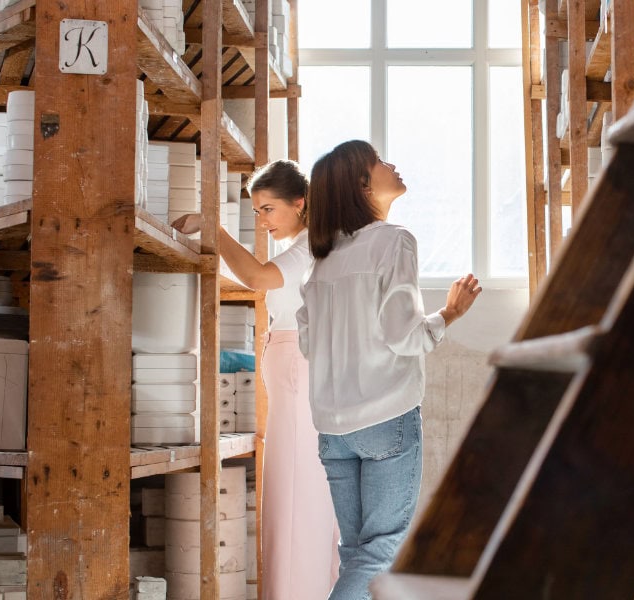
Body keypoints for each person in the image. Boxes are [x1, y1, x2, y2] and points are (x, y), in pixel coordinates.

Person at [298, 140, 481, 599]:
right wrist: (451, 314)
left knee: (359, 555)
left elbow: (308, 343)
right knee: (379, 556)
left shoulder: (320, 264)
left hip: (333, 430)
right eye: (379, 162)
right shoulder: (394, 240)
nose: (392, 165)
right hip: (384, 420)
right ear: (361, 183)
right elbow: (404, 335)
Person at [172, 160, 340, 600]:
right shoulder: (302, 248)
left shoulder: (308, 247)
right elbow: (254, 278)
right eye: (256, 212)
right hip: (293, 372)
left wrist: (215, 229)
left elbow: (256, 278)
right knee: (293, 484)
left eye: (267, 210)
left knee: (294, 488)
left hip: (297, 372)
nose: (261, 221)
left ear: (298, 204)